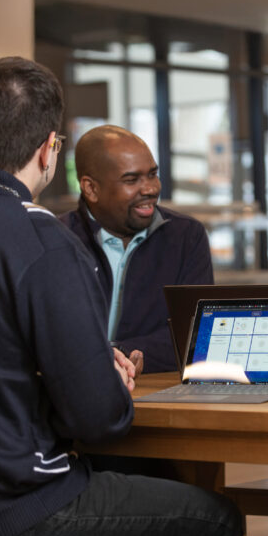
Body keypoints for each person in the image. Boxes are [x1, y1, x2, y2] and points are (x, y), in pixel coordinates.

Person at [0, 57, 241, 536]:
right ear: (50, 149)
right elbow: (101, 421)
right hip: (16, 511)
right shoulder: (43, 240)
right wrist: (108, 378)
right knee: (218, 519)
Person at [61, 125, 213, 374]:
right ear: (91, 189)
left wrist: (120, 353)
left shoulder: (187, 237)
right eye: (131, 180)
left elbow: (197, 335)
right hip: (74, 390)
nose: (150, 189)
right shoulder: (56, 239)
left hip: (157, 392)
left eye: (153, 174)